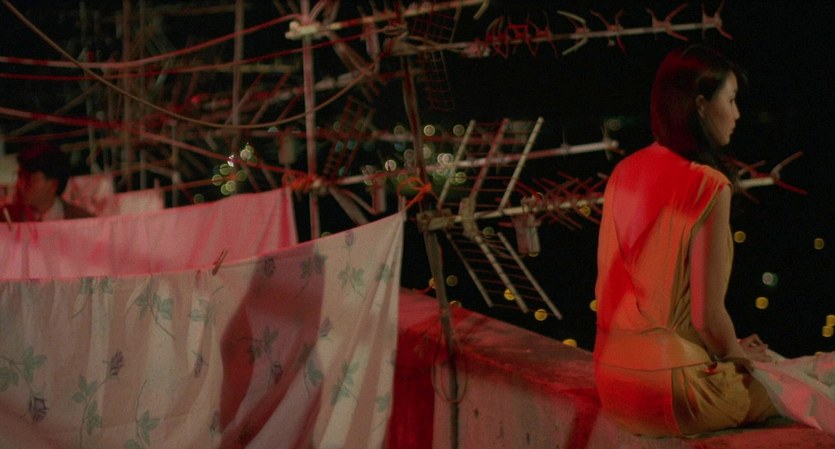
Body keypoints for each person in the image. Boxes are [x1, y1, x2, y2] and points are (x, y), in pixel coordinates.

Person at [593, 44, 779, 437]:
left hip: (614, 385)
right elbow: (706, 318)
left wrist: (730, 347)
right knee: (801, 382)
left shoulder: (624, 171)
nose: (737, 114)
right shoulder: (707, 185)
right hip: (674, 394)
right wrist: (738, 356)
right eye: (731, 100)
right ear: (700, 105)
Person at [2, 142, 93, 222]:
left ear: (53, 184)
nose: (19, 185)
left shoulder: (82, 222)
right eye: (19, 176)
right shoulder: (5, 218)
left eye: (29, 179)